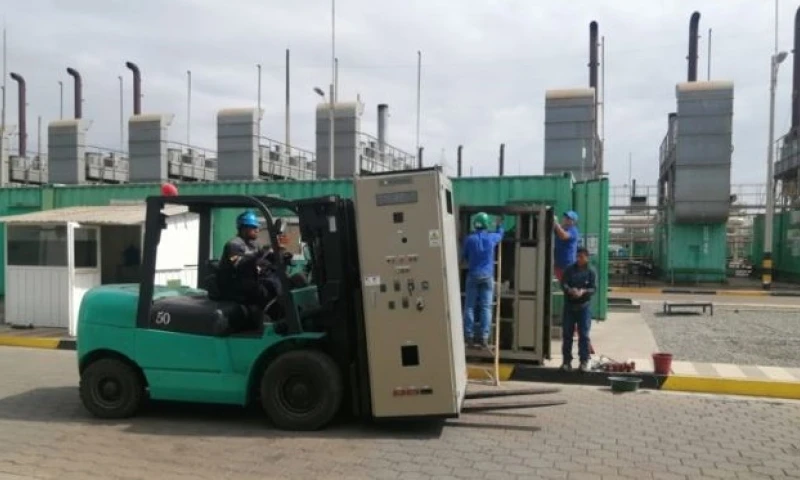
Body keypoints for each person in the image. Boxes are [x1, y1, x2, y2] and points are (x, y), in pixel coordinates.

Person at [461, 212, 504, 348]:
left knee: (469, 307)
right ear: (486, 224)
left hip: (473, 275)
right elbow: (500, 235)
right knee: (486, 307)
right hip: (487, 276)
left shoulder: (469, 239)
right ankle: (484, 337)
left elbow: (463, 256)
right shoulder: (491, 238)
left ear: (475, 224)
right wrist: (499, 225)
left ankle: (469, 336)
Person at [559, 247, 596, 372]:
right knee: (567, 335)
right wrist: (570, 290)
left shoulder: (591, 272)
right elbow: (563, 284)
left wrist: (583, 291)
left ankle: (584, 361)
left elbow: (593, 288)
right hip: (569, 307)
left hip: (583, 307)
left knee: (584, 335)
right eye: (577, 256)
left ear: (587, 258)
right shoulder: (569, 270)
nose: (579, 259)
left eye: (581, 257)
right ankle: (566, 361)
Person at [553, 211, 581, 281]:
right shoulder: (560, 229)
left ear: (574, 222)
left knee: (568, 285)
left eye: (568, 218)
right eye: (565, 217)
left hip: (568, 265)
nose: (565, 219)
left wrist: (556, 224)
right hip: (558, 265)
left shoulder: (573, 230)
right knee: (564, 285)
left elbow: (564, 236)